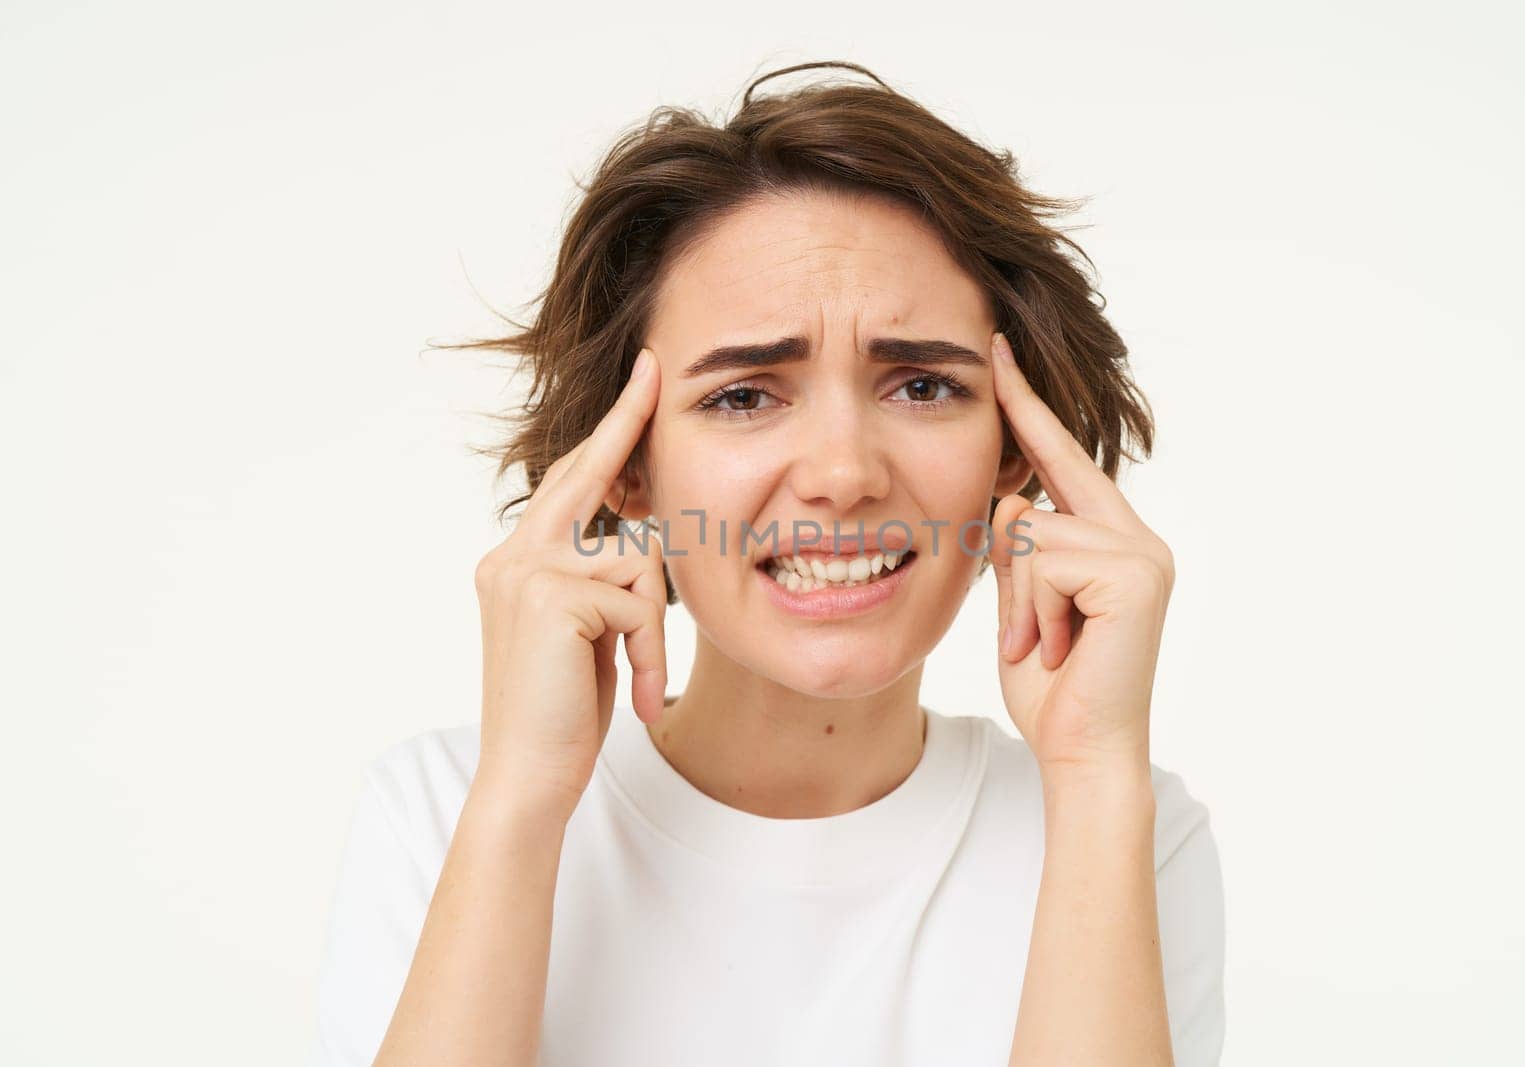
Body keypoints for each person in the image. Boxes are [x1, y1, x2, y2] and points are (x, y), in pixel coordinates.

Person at [308, 60, 1225, 1067]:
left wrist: (1094, 777)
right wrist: (522, 800)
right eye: (744, 395)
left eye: (921, 384)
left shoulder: (1126, 827)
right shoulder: (445, 808)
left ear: (1014, 445)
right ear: (624, 466)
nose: (842, 472)